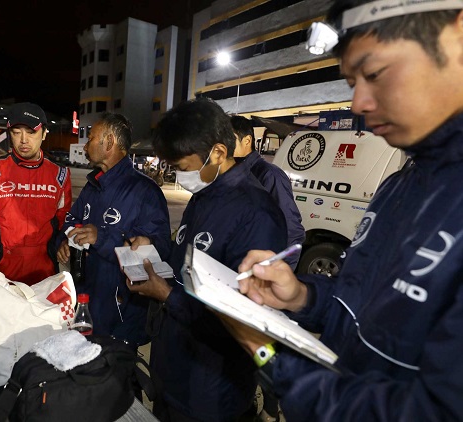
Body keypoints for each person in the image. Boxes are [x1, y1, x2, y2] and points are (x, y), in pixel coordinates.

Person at [220, 2, 463, 421]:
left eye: (374, 73)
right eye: (352, 82)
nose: (358, 104)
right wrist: (300, 296)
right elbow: (361, 308)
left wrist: (266, 353)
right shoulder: (401, 183)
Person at [128, 98, 288, 422]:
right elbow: (185, 262)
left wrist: (166, 295)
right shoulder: (202, 197)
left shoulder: (256, 215)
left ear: (217, 152)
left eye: (182, 167)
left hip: (210, 390)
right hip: (173, 369)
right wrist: (153, 253)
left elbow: (240, 319)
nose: (178, 175)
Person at [56, 112, 171, 348]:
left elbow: (159, 252)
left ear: (109, 142)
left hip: (122, 317)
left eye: (91, 138)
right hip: (87, 304)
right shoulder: (92, 186)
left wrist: (102, 238)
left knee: (116, 379)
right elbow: (71, 220)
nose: (86, 145)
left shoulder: (145, 192)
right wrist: (64, 242)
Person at [0, 102, 72, 285]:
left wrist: (65, 243)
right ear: (9, 134)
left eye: (31, 132)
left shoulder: (60, 175)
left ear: (44, 133)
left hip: (45, 276)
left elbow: (65, 222)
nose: (23, 140)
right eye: (16, 132)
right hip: (2, 276)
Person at [230, 115, 305, 271]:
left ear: (247, 141)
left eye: (229, 139)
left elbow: (292, 231)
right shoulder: (232, 174)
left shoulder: (269, 175)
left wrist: (278, 272)